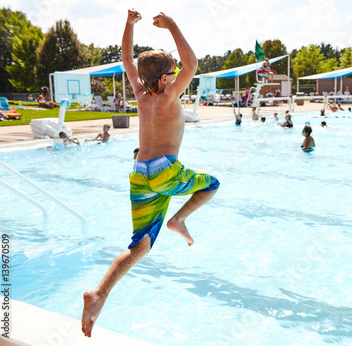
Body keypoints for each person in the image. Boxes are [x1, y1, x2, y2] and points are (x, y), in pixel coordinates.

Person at [81, 9, 220, 338]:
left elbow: (127, 60)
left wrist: (129, 24)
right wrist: (171, 25)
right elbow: (192, 63)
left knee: (139, 246)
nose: (176, 76)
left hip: (139, 173)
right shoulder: (169, 95)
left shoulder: (141, 95)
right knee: (211, 184)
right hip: (164, 171)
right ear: (164, 79)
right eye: (172, 73)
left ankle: (98, 293)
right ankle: (178, 220)